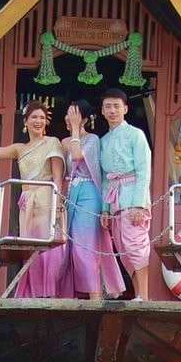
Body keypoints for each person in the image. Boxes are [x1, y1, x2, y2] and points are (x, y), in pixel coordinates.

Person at [0, 99, 66, 297]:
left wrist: (58, 203)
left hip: (47, 199)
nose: (38, 121)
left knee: (48, 247)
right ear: (26, 121)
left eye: (42, 118)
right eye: (34, 117)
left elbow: (57, 176)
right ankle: (34, 295)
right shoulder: (19, 148)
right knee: (29, 248)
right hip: (26, 202)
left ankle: (50, 294)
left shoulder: (52, 142)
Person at [59, 99, 126, 300]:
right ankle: (73, 295)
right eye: (68, 114)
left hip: (89, 193)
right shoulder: (63, 142)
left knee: (84, 246)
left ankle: (95, 296)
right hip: (71, 194)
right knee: (69, 246)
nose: (69, 118)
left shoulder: (93, 139)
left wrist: (75, 130)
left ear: (84, 119)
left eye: (74, 115)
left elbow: (77, 156)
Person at [97, 88, 153, 300]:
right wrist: (105, 209)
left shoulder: (136, 134)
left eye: (116, 106)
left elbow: (143, 170)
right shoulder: (103, 141)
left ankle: (144, 296)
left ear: (125, 109)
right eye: (108, 107)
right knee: (123, 249)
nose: (112, 110)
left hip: (133, 198)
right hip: (115, 202)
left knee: (135, 245)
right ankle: (138, 294)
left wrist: (139, 204)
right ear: (102, 111)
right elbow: (105, 178)